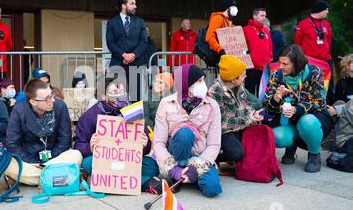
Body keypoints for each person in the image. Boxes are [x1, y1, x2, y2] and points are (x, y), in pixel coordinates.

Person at [74, 75, 159, 193]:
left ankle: (107, 184)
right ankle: (142, 183)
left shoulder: (133, 112)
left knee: (152, 165)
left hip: (127, 159)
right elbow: (78, 145)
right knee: (88, 163)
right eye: (114, 91)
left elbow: (145, 149)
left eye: (121, 90)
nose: (119, 94)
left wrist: (145, 144)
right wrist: (91, 147)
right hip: (103, 159)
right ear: (103, 96)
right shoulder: (90, 116)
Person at [153, 64, 223, 197]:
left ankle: (188, 176)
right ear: (186, 84)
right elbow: (158, 142)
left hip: (200, 157)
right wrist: (173, 169)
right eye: (199, 81)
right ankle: (178, 172)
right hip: (175, 155)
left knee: (213, 188)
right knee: (185, 133)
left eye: (203, 80)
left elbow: (214, 144)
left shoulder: (212, 105)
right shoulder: (166, 103)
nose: (204, 84)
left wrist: (196, 168)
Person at [263, 45, 334, 173]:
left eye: (285, 64)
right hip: (287, 120)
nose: (281, 67)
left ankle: (314, 155)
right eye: (280, 63)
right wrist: (276, 97)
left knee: (307, 122)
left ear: (296, 64)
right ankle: (291, 146)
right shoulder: (276, 76)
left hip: (313, 118)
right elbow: (268, 109)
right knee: (277, 137)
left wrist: (296, 109)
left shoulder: (314, 72)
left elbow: (318, 102)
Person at [5, 79, 82, 186]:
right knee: (7, 164)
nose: (52, 100)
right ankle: (56, 178)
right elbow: (12, 145)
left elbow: (65, 140)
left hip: (55, 159)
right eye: (47, 98)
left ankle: (37, 179)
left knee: (76, 154)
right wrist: (33, 161)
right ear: (33, 102)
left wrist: (49, 160)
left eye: (52, 95)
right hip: (29, 160)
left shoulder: (60, 107)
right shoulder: (19, 111)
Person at [208, 55, 264, 164]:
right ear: (234, 79)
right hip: (222, 131)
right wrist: (248, 120)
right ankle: (213, 158)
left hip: (238, 125)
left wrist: (253, 113)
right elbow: (222, 122)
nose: (246, 76)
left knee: (255, 145)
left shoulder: (239, 86)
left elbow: (245, 105)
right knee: (236, 153)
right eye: (243, 75)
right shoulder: (215, 91)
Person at [106, 0, 148, 101]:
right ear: (123, 6)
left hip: (136, 63)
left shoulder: (140, 22)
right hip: (117, 63)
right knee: (115, 96)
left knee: (135, 97)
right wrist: (123, 55)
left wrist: (133, 55)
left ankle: (134, 118)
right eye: (132, 3)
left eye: (135, 3)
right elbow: (110, 43)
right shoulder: (112, 22)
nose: (135, 6)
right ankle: (118, 118)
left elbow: (144, 41)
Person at [295, 0, 334, 104]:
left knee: (329, 85)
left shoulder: (326, 24)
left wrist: (324, 51)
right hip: (311, 62)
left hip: (326, 60)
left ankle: (331, 106)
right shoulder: (303, 24)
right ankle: (311, 104)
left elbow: (329, 39)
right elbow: (297, 43)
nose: (327, 12)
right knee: (311, 85)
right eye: (326, 10)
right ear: (320, 10)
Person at [243, 8, 273, 96]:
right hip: (251, 67)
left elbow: (270, 46)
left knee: (263, 93)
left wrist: (270, 56)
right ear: (254, 16)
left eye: (265, 16)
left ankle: (262, 110)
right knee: (250, 93)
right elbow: (242, 47)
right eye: (262, 15)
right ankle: (251, 110)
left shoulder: (266, 30)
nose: (264, 18)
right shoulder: (246, 29)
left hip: (265, 68)